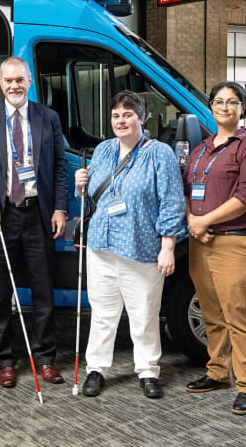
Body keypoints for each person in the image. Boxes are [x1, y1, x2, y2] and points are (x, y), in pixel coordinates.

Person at [0, 56, 68, 388]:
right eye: (8, 80)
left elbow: (60, 167)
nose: (14, 86)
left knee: (43, 292)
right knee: (0, 294)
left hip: (39, 215)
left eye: (20, 79)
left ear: (30, 81)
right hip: (1, 215)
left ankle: (45, 359)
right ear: (0, 83)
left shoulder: (48, 117)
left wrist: (60, 209)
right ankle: (5, 361)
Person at [74, 90, 185, 399]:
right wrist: (80, 186)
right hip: (101, 245)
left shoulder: (159, 153)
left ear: (142, 118)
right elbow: (94, 197)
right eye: (116, 115)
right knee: (102, 313)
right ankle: (96, 368)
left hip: (142, 248)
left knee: (144, 314)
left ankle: (148, 371)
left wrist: (168, 246)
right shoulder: (103, 150)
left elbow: (172, 201)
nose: (121, 121)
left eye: (128, 115)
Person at [182, 82, 246, 415]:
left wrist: (205, 221)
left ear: (243, 108)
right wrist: (193, 221)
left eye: (231, 102)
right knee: (212, 313)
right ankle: (218, 373)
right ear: (210, 107)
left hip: (237, 240)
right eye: (218, 101)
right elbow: (187, 189)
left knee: (239, 316)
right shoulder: (201, 149)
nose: (223, 107)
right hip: (202, 240)